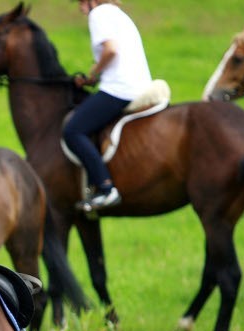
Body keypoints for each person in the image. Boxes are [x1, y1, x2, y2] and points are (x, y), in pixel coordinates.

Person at [63, 0, 152, 212]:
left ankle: (106, 188)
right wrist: (94, 80)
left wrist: (94, 72)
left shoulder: (99, 14)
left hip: (120, 88)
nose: (80, 7)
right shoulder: (117, 14)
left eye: (82, 1)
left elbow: (111, 50)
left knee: (73, 130)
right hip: (138, 83)